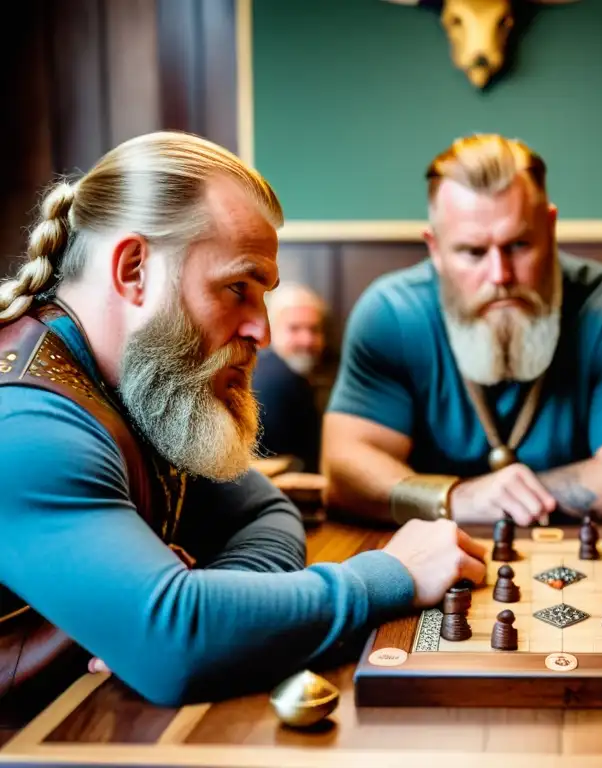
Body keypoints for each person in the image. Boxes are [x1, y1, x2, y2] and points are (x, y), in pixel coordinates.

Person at [0, 131, 486, 713]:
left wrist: (224, 605)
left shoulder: (143, 383)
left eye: (263, 295)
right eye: (237, 288)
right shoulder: (25, 424)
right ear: (133, 270)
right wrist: (391, 575)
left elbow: (265, 510)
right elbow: (175, 644)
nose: (264, 330)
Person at [323, 134, 602, 527]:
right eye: (473, 252)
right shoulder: (391, 314)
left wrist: (488, 499)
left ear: (550, 228)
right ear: (435, 249)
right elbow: (345, 470)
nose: (500, 276)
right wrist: (459, 498)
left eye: (519, 245)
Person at [252, 282, 327, 471]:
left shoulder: (268, 369)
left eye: (314, 330)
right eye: (294, 329)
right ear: (269, 331)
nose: (307, 340)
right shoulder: (280, 379)